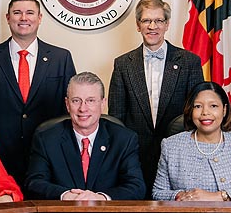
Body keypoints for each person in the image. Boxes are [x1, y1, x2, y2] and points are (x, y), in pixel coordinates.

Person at [0, 0, 76, 188]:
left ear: (40, 18)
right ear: (8, 18)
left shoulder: (61, 58)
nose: (23, 18)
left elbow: (69, 108)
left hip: (49, 155)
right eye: (17, 13)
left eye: (29, 13)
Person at [108, 0, 204, 198]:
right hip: (135, 157)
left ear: (167, 24)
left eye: (159, 21)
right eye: (146, 21)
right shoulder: (123, 64)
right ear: (138, 25)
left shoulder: (189, 62)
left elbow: (198, 113)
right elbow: (116, 117)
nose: (153, 26)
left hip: (180, 157)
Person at [24, 72, 145, 200]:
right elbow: (34, 184)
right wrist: (67, 196)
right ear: (67, 104)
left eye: (90, 101)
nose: (83, 108)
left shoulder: (124, 139)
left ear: (103, 103)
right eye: (76, 101)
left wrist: (101, 198)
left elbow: (137, 187)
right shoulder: (46, 139)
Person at [152, 82, 231, 202]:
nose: (205, 112)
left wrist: (219, 196)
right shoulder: (171, 146)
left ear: (224, 110)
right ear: (191, 111)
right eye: (198, 106)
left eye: (213, 106)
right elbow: (158, 193)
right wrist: (182, 195)